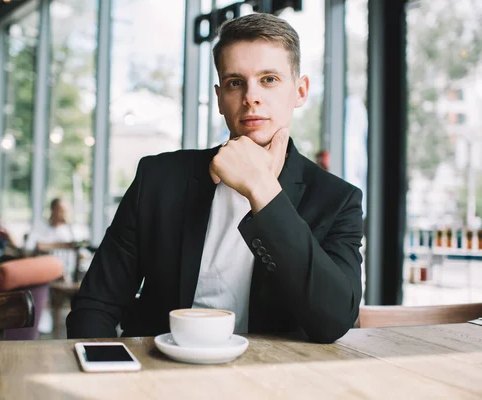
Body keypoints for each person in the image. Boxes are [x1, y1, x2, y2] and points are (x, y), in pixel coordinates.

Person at [67, 13, 363, 344]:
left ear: (300, 91)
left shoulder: (337, 200)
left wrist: (263, 190)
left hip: (272, 382)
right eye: (236, 82)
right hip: (160, 374)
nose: (252, 96)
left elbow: (335, 321)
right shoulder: (158, 179)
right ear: (220, 97)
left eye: (269, 80)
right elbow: (95, 307)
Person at [25, 198, 85, 281]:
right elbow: (29, 249)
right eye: (61, 210)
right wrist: (64, 245)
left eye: (66, 211)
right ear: (53, 210)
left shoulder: (72, 230)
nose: (64, 214)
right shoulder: (40, 227)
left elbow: (82, 254)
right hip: (44, 271)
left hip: (68, 272)